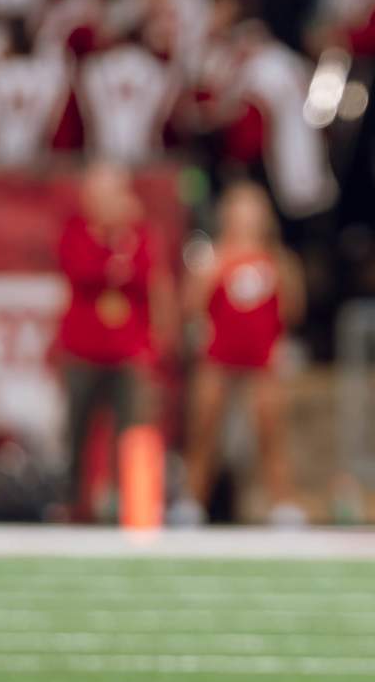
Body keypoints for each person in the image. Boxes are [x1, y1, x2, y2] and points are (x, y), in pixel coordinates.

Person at [178, 184, 304, 528]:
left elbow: (292, 307)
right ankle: (192, 500)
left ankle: (282, 501)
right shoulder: (213, 259)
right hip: (219, 358)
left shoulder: (278, 261)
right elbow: (191, 306)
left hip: (262, 359)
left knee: (270, 431)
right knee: (205, 431)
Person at [55, 162, 170, 522]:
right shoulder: (75, 231)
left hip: (129, 351)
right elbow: (85, 271)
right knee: (77, 432)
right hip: (82, 350)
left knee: (132, 432)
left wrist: (158, 344)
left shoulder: (141, 235)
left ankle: (131, 503)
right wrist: (115, 256)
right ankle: (77, 503)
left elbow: (153, 283)